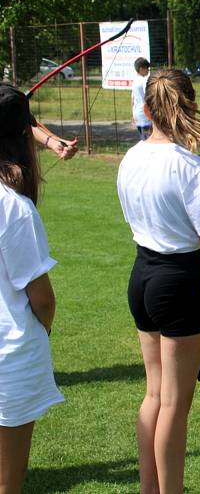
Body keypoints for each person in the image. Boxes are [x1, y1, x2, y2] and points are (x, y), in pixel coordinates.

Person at [116, 69, 200, 494]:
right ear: (188, 105)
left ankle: (149, 490)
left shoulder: (131, 157)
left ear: (147, 109)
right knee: (174, 402)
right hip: (177, 281)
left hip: (142, 276)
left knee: (155, 393)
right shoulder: (191, 167)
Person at [0, 84, 64, 493]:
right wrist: (46, 327)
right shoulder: (14, 208)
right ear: (26, 135)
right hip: (10, 355)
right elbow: (41, 298)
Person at [132, 57, 152, 141]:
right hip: (144, 114)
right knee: (148, 140)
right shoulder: (143, 80)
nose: (148, 70)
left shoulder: (135, 80)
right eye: (147, 68)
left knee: (143, 139)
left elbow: (132, 99)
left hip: (137, 113)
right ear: (141, 69)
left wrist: (132, 114)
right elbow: (148, 95)